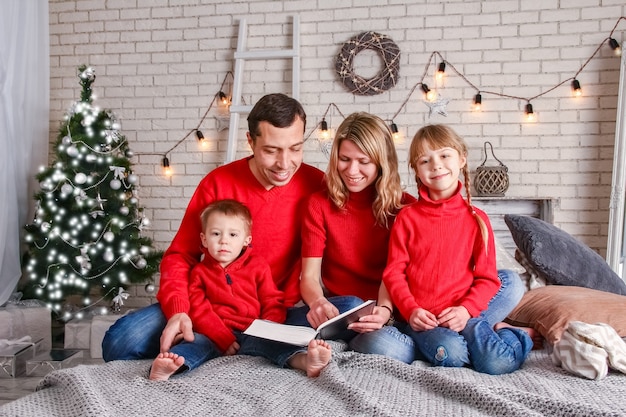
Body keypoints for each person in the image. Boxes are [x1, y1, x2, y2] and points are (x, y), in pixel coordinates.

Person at [102, 93, 325, 361]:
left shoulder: (316, 184)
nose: (285, 163)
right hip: (211, 303)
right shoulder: (218, 183)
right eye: (271, 150)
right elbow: (180, 256)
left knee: (348, 308)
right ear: (250, 142)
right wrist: (179, 311)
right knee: (121, 340)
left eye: (295, 148)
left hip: (274, 309)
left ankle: (245, 343)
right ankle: (226, 341)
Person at [382, 124, 533, 374]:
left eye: (444, 155)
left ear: (462, 159)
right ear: (416, 170)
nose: (436, 165)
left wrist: (466, 310)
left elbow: (488, 279)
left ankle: (512, 334)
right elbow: (393, 274)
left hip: (465, 315)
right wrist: (410, 311)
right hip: (425, 321)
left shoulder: (477, 219)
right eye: (424, 160)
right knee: (449, 354)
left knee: (498, 362)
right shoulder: (406, 218)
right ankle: (479, 339)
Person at [149, 199, 330, 381]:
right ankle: (170, 368)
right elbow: (198, 308)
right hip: (215, 333)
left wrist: (269, 327)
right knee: (194, 343)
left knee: (276, 345)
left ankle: (304, 361)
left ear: (246, 240)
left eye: (233, 235)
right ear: (204, 239)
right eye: (216, 234)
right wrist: (221, 337)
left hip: (253, 329)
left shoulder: (258, 266)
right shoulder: (199, 272)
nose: (223, 241)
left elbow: (272, 300)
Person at [294, 112, 417, 362]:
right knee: (351, 304)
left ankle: (369, 339)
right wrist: (317, 302)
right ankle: (355, 337)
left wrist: (384, 312)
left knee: (390, 347)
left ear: (382, 163)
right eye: (344, 159)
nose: (352, 170)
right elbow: (308, 276)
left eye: (363, 161)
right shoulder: (318, 205)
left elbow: (401, 274)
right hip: (342, 310)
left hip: (389, 310)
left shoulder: (405, 208)